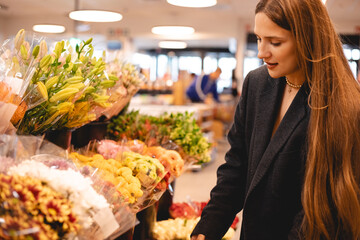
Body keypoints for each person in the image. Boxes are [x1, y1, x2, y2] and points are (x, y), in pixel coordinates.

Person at [191, 0, 360, 239]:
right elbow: (237, 166)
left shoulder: (341, 104)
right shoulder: (256, 83)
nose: (261, 52)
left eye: (275, 42)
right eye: (259, 39)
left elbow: (322, 210)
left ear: (307, 38)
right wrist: (208, 227)